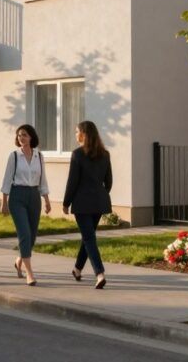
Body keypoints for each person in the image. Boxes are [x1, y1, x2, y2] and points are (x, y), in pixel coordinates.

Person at [62, 120, 113, 289]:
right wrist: (100, 194)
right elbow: (109, 182)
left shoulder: (77, 154)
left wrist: (66, 202)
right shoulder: (105, 154)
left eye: (77, 132)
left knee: (89, 238)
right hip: (99, 202)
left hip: (82, 203)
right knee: (88, 236)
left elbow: (72, 182)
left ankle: (100, 273)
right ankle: (77, 269)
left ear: (84, 134)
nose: (75, 134)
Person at [0, 124, 51, 286]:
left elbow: (43, 179)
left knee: (32, 236)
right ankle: (30, 274)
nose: (21, 138)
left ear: (31, 137)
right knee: (24, 233)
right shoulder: (14, 156)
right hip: (17, 196)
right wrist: (4, 202)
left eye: (24, 135)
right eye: (19, 135)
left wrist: (47, 200)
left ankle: (18, 261)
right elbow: (7, 179)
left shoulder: (39, 156)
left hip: (34, 196)